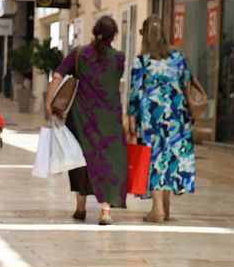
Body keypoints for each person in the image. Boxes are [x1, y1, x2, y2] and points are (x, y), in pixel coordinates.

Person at [47, 16, 130, 224]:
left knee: (79, 159)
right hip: (109, 119)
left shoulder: (79, 54)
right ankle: (105, 209)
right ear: (114, 35)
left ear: (94, 31)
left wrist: (49, 102)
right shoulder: (118, 58)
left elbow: (57, 75)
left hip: (81, 116)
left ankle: (80, 206)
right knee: (110, 161)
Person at [128, 16, 196, 222]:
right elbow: (187, 83)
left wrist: (131, 117)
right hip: (177, 115)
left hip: (152, 117)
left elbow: (135, 91)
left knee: (155, 158)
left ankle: (157, 208)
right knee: (171, 157)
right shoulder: (177, 57)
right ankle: (165, 206)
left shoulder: (142, 61)